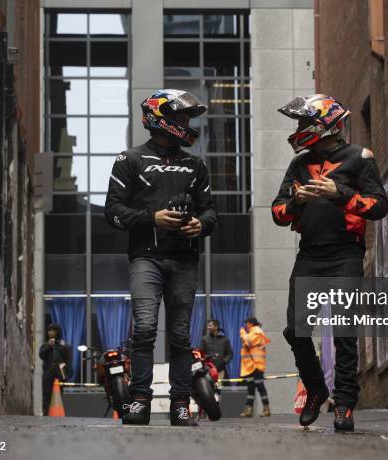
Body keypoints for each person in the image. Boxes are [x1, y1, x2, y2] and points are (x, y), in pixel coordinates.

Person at [273, 94, 388, 432]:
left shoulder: (359, 158)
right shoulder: (298, 165)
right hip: (309, 254)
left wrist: (338, 194)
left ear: (321, 125)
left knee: (343, 332)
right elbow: (278, 213)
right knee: (296, 330)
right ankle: (315, 389)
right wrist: (296, 200)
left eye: (302, 123)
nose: (298, 129)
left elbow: (379, 206)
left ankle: (344, 404)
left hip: (345, 254)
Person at [105, 89, 217, 427]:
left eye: (187, 118)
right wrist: (152, 218)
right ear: (160, 119)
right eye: (181, 117)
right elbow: (112, 212)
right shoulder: (130, 160)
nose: (186, 123)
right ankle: (139, 400)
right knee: (145, 329)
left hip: (184, 260)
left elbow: (211, 212)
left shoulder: (196, 164)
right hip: (146, 259)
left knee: (181, 336)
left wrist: (202, 224)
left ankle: (180, 404)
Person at [238, 317, 271, 417]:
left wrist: (243, 334)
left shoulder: (257, 331)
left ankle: (266, 409)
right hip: (252, 366)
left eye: (247, 323)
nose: (246, 326)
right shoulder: (253, 331)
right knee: (251, 387)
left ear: (251, 323)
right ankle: (249, 410)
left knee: (260, 386)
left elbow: (248, 343)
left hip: (256, 365)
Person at [39, 324, 73, 416]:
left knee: (58, 395)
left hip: (59, 375)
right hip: (47, 374)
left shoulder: (64, 346)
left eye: (52, 330)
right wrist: (49, 347)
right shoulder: (46, 345)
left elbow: (68, 362)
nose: (50, 332)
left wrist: (67, 375)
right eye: (49, 330)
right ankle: (46, 414)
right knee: (46, 396)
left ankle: (56, 414)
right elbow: (42, 355)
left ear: (57, 332)